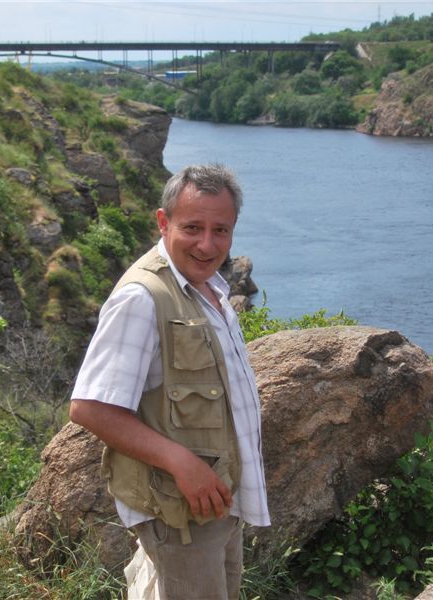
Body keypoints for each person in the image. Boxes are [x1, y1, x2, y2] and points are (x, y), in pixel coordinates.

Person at [69, 164, 270, 599]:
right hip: (181, 513)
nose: (207, 244)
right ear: (164, 222)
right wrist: (182, 463)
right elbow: (90, 408)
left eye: (221, 230)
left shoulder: (211, 288)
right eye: (192, 227)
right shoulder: (142, 298)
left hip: (217, 503)